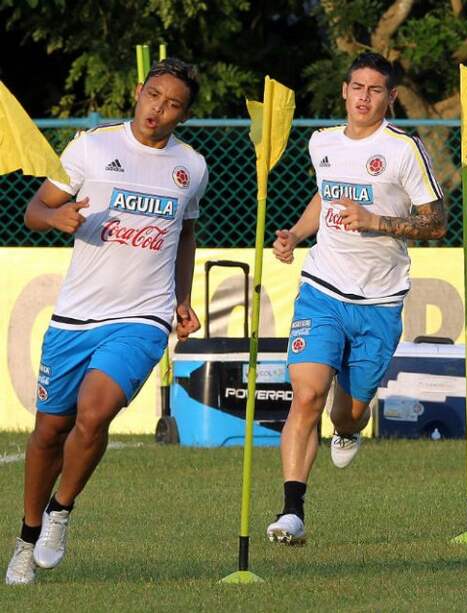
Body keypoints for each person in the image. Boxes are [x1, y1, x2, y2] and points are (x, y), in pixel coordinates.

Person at [5, 58, 207, 585]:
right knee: (50, 430)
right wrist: (57, 217)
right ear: (138, 91)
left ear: (184, 114)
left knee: (95, 414)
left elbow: (185, 235)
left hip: (143, 316)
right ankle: (27, 537)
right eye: (154, 96)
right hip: (74, 317)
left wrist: (181, 299)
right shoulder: (90, 147)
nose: (159, 111)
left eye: (173, 105)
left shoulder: (192, 167)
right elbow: (35, 209)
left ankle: (62, 511)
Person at [266, 52, 446, 544]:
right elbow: (325, 196)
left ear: (389, 98)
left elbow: (436, 222)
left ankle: (347, 429)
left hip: (380, 303)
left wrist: (377, 222)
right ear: (344, 91)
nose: (364, 98)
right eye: (357, 88)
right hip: (321, 290)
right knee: (306, 395)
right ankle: (292, 511)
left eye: (375, 90)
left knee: (347, 411)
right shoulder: (321, 142)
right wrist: (297, 234)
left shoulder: (404, 150)